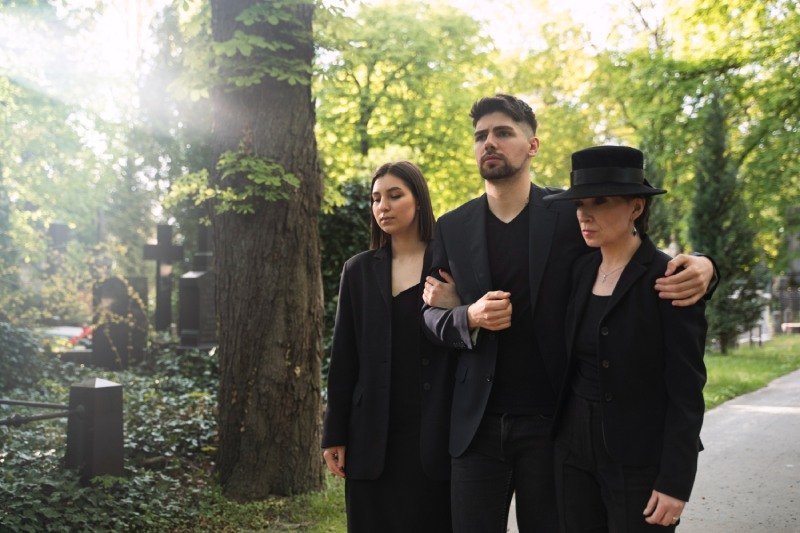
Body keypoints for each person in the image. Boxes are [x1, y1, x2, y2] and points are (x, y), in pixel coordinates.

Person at [421, 94, 716, 532]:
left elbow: (632, 259)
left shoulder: (568, 213)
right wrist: (467, 316)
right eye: (481, 135)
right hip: (476, 426)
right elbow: (428, 316)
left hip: (553, 424)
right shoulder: (451, 226)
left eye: (503, 132)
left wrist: (707, 266)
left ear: (532, 145)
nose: (489, 143)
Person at [543, 145, 707, 532]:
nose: (584, 213)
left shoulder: (670, 279)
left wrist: (675, 482)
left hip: (639, 460)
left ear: (636, 207)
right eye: (580, 203)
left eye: (600, 201)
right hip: (572, 453)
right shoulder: (580, 270)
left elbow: (686, 390)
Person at [322, 161, 459, 532]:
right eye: (376, 198)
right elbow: (344, 358)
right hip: (370, 435)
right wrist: (335, 433)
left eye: (395, 195)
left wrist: (458, 303)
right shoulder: (358, 270)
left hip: (434, 434)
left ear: (419, 200)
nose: (383, 205)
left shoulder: (449, 266)